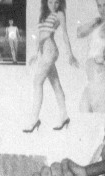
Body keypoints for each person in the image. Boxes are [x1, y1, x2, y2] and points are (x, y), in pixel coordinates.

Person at [24, 0, 78, 132]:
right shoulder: (44, 15)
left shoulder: (59, 14)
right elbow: (40, 35)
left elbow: (65, 34)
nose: (53, 5)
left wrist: (70, 54)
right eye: (50, 2)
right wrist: (36, 53)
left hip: (50, 50)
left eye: (56, 2)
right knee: (55, 83)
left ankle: (34, 120)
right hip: (44, 52)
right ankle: (64, 117)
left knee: (37, 82)